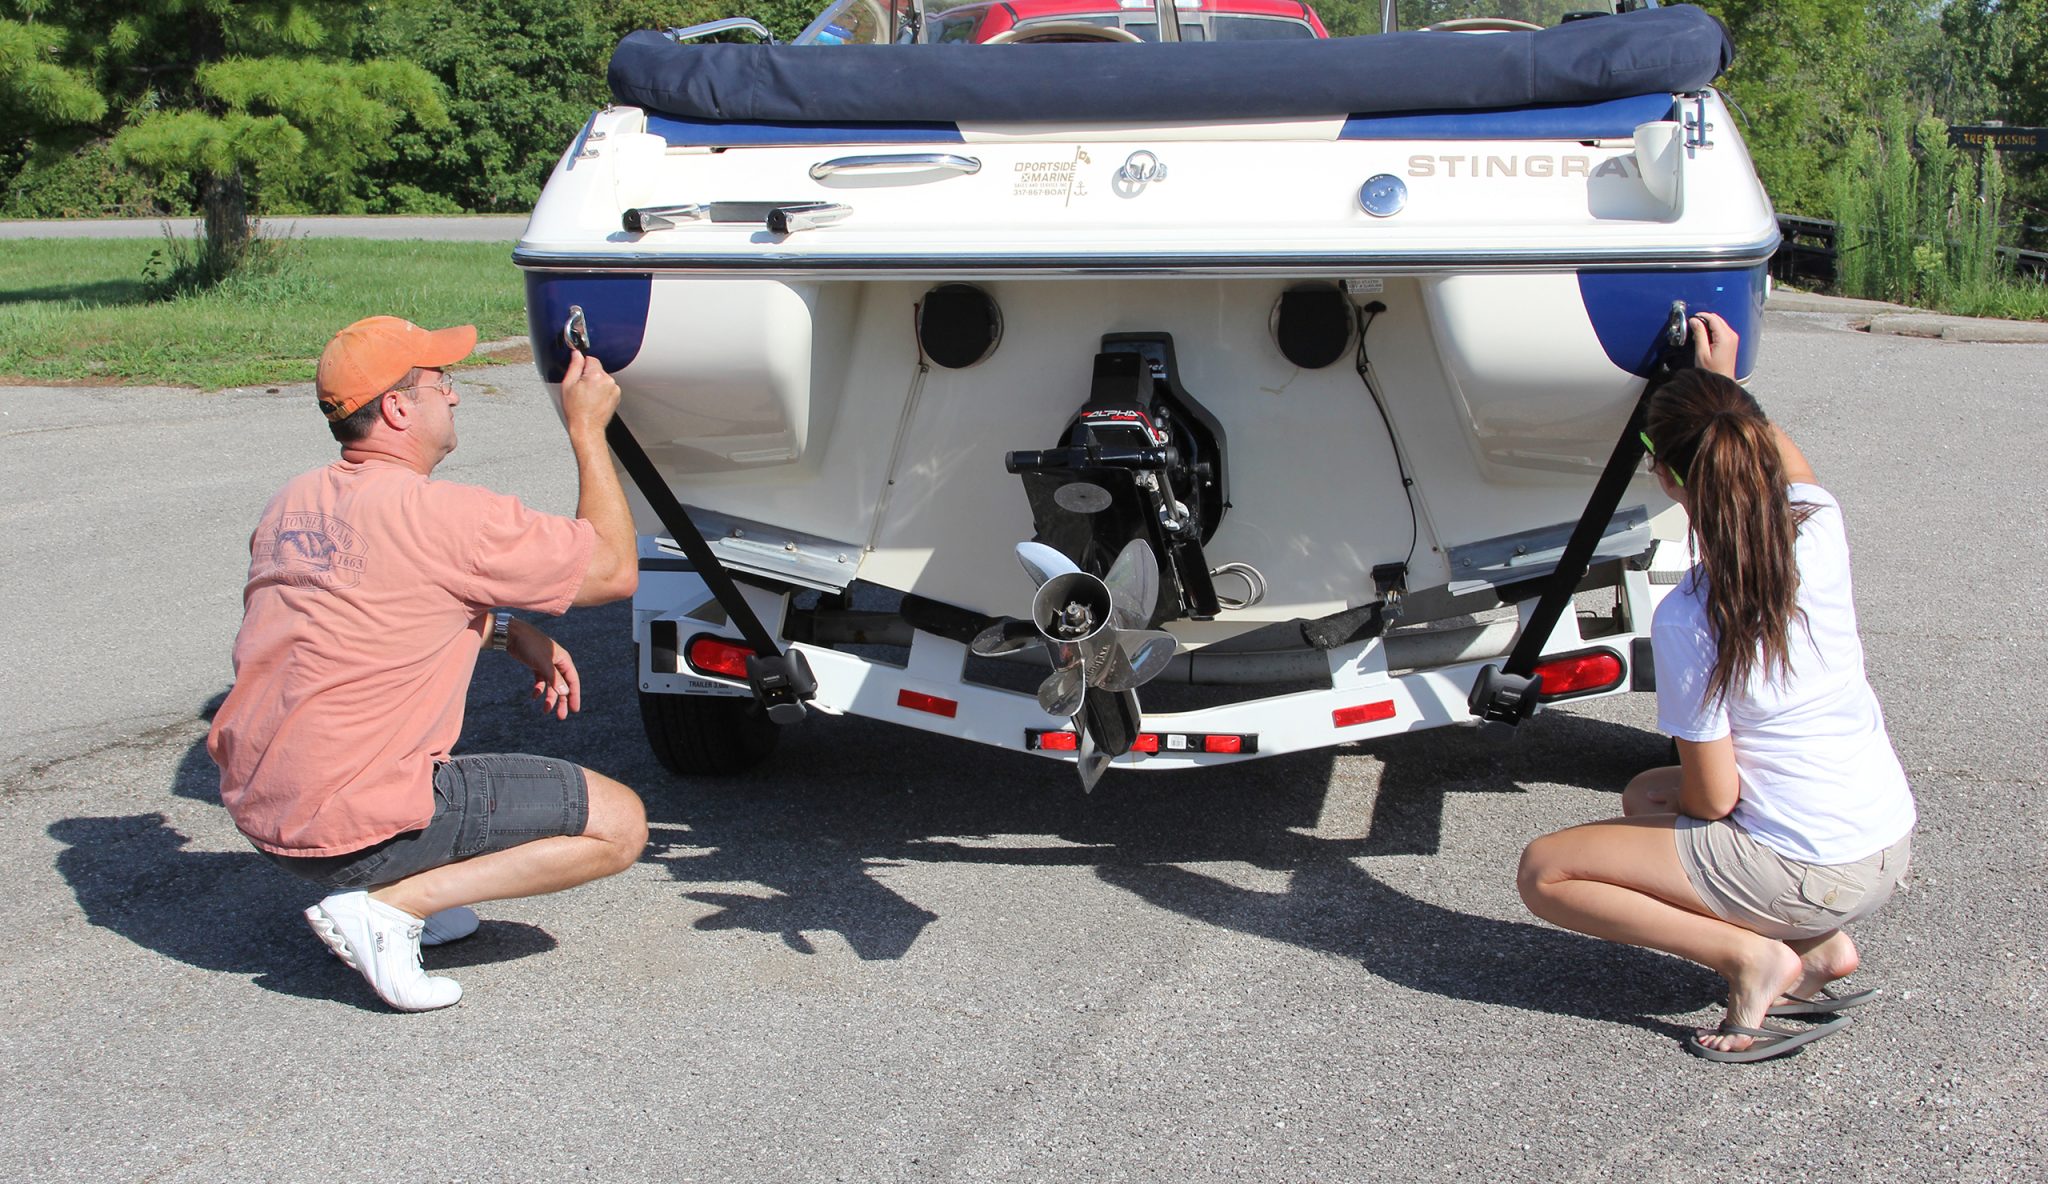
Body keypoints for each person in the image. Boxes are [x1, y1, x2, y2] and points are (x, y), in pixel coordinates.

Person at [207, 315, 647, 1012]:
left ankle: (399, 889)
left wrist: (507, 631)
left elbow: (381, 611)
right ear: (397, 407)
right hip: (348, 829)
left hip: (265, 810)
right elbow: (613, 571)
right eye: (443, 382)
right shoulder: (443, 517)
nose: (457, 396)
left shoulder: (292, 503)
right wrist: (587, 430)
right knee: (619, 825)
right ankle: (391, 907)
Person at [1516, 311, 1916, 1063]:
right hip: (1884, 841)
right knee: (1644, 797)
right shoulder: (1818, 528)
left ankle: (1754, 960)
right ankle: (1823, 950)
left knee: (1545, 869)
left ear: (1666, 479)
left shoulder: (1692, 615)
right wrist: (1723, 389)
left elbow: (1714, 800)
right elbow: (1780, 458)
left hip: (1815, 868)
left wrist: (1704, 396)